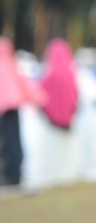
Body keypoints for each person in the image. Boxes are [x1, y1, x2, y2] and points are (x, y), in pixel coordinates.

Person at [0, 37, 46, 187]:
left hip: (5, 113)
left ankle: (9, 179)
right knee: (15, 144)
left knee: (6, 146)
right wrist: (41, 99)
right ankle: (15, 178)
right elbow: (26, 86)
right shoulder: (11, 64)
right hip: (13, 110)